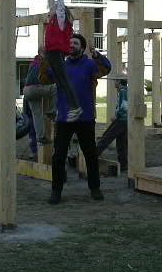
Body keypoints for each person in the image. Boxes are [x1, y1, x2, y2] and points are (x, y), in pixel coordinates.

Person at [48, 34, 111, 204]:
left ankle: (95, 188)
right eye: (69, 43)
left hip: (85, 117)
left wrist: (96, 54)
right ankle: (56, 191)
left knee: (90, 154)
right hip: (64, 117)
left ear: (82, 48)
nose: (71, 45)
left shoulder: (90, 65)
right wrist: (45, 55)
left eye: (75, 43)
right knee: (58, 156)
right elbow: (45, 76)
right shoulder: (61, 65)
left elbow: (106, 68)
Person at [44, 0, 82, 122]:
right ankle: (64, 107)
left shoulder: (60, 21)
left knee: (64, 80)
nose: (49, 11)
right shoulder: (53, 20)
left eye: (53, 10)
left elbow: (59, 6)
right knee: (60, 81)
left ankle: (75, 107)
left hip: (56, 52)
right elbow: (51, 5)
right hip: (51, 52)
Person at [22, 46, 57, 149]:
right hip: (36, 88)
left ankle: (40, 137)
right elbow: (51, 73)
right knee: (55, 88)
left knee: (37, 114)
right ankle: (52, 111)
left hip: (26, 90)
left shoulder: (33, 62)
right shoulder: (43, 61)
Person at [96, 75, 128, 172]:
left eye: (115, 81)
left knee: (107, 137)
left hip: (121, 120)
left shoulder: (123, 91)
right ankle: (123, 165)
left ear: (119, 82)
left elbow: (124, 106)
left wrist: (117, 116)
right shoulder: (124, 90)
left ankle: (93, 156)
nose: (114, 83)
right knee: (121, 143)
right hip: (124, 120)